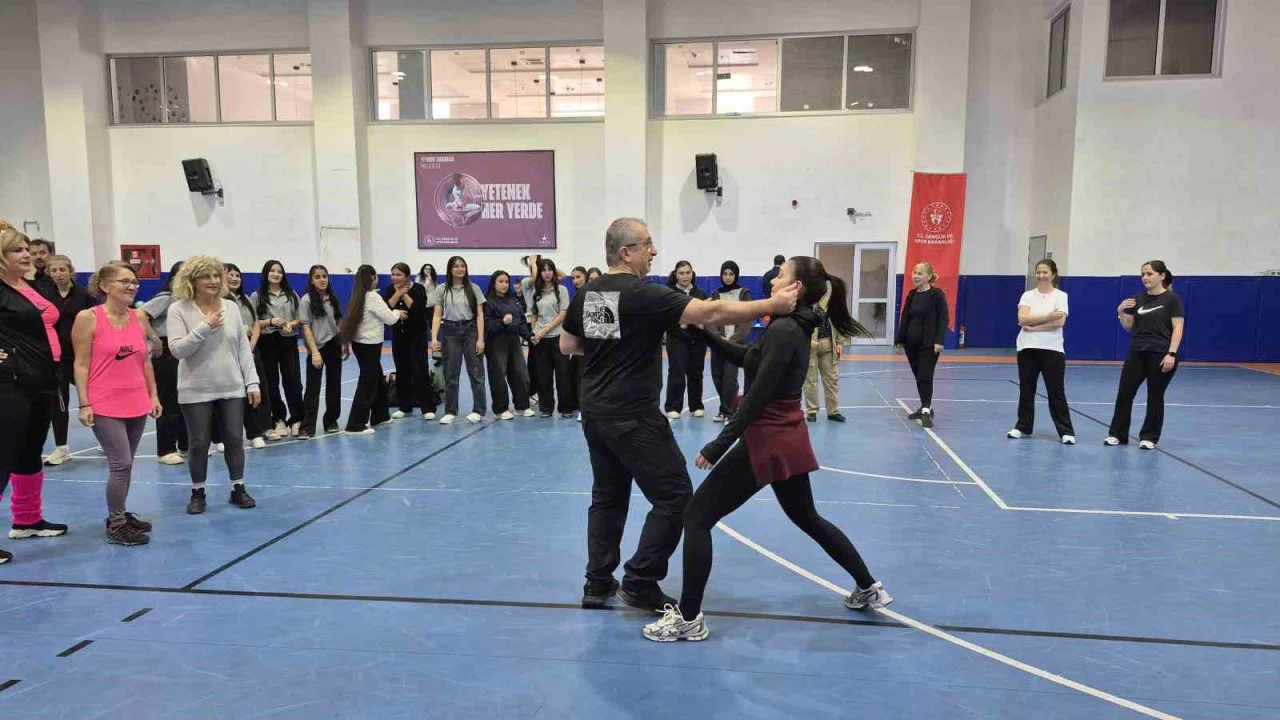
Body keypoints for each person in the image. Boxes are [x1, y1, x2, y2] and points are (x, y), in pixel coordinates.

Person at [643, 257, 890, 642]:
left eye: (781, 276)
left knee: (697, 517)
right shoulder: (791, 325)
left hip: (768, 439)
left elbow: (756, 398)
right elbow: (750, 359)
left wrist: (718, 444)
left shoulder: (786, 330)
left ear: (796, 288)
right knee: (807, 517)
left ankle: (689, 618)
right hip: (787, 437)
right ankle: (868, 585)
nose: (773, 281)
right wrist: (706, 335)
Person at [560, 217, 799, 612]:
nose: (654, 251)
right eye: (647, 244)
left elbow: (569, 346)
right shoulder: (643, 294)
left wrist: (620, 347)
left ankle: (597, 582)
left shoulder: (592, 292)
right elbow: (712, 312)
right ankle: (640, 580)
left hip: (597, 415)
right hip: (633, 416)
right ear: (626, 252)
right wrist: (772, 305)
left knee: (607, 498)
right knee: (675, 497)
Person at [72, 261, 163, 545]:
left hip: (136, 400)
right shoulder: (88, 318)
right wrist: (84, 403)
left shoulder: (139, 317)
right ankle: (116, 524)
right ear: (104, 286)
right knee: (120, 463)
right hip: (104, 402)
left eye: (134, 282)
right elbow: (81, 364)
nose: (132, 286)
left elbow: (145, 362)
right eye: (125, 281)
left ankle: (120, 513)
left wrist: (153, 395)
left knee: (127, 463)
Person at [166, 257, 262, 514]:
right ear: (192, 280)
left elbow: (242, 348)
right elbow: (177, 350)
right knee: (199, 443)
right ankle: (198, 491)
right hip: (195, 388)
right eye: (205, 276)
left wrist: (252, 382)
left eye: (216, 276)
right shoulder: (178, 309)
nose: (213, 281)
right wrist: (205, 326)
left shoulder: (231, 307)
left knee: (234, 438)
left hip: (231, 385)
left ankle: (238, 487)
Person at [0, 226, 70, 564]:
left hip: (41, 379)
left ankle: (27, 519)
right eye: (17, 250)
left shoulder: (29, 285)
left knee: (30, 451)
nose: (27, 254)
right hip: (9, 382)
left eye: (27, 248)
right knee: (3, 454)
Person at [1105, 260, 1185, 449]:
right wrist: (1120, 311)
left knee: (1155, 395)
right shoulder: (1137, 299)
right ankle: (1117, 434)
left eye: (1149, 274)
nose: (1145, 277)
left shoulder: (1172, 299)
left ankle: (1149, 437)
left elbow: (1178, 328)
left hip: (1161, 353)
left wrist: (1171, 354)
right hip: (1137, 352)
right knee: (1125, 393)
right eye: (1143, 274)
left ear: (1162, 276)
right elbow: (1129, 326)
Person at [1008, 259, 1076, 444]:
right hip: (1027, 348)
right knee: (1026, 389)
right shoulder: (1027, 296)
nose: (1041, 275)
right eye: (1038, 272)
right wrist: (1047, 316)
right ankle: (1023, 427)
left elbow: (1059, 322)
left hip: (1052, 349)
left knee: (1056, 391)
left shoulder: (1061, 296)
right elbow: (1022, 319)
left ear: (1053, 274)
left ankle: (1066, 431)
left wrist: (1034, 326)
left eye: (1045, 272)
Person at [45, 255, 98, 465]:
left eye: (62, 270)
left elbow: (97, 321)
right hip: (57, 357)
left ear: (70, 271)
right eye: (54, 270)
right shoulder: (45, 296)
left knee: (94, 398)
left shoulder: (85, 295)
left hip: (83, 356)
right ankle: (62, 448)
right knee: (59, 402)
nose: (59, 274)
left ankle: (106, 439)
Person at [340, 265, 403, 434]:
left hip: (361, 344)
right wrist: (397, 312)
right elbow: (390, 319)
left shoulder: (358, 296)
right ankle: (355, 423)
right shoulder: (373, 296)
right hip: (370, 344)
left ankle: (380, 415)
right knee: (367, 382)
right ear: (373, 278)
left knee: (376, 377)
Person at [139, 261, 189, 464]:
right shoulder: (167, 298)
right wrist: (154, 338)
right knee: (168, 401)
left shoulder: (189, 300)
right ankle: (166, 449)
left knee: (185, 399)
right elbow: (140, 314)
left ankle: (185, 445)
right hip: (167, 350)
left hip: (185, 348)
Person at [430, 256, 486, 424]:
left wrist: (480, 339)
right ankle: (451, 411)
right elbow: (437, 315)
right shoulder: (441, 289)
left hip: (470, 330)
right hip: (450, 331)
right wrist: (434, 338)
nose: (460, 269)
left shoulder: (474, 288)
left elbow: (480, 315)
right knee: (451, 373)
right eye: (456, 266)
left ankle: (478, 410)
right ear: (450, 269)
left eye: (462, 266)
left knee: (476, 372)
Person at [251, 260, 305, 437]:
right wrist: (270, 321)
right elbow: (253, 323)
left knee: (293, 380)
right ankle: (278, 419)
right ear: (266, 273)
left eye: (279, 271)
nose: (276, 274)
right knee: (271, 382)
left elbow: (299, 317)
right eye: (272, 271)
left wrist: (291, 324)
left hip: (288, 341)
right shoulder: (257, 296)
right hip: (267, 342)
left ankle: (297, 419)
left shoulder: (291, 294)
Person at [225, 263, 274, 446]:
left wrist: (250, 348)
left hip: (251, 349)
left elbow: (255, 324)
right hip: (229, 351)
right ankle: (223, 436)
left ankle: (260, 430)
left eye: (237, 275)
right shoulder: (219, 301)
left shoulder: (246, 299)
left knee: (259, 389)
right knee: (235, 394)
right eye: (230, 275)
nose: (235, 278)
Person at [895, 262, 949, 429]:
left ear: (928, 276)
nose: (915, 276)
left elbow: (943, 319)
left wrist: (939, 341)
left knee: (925, 376)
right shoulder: (911, 295)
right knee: (919, 376)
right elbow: (905, 317)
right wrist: (900, 340)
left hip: (929, 344)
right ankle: (925, 406)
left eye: (919, 273)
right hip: (911, 344)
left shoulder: (936, 295)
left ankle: (926, 410)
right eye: (914, 273)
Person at [299, 264, 348, 436]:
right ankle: (307, 426)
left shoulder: (332, 297)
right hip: (316, 347)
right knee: (312, 388)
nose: (322, 280)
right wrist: (314, 352)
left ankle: (331, 420)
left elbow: (338, 321)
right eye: (317, 277)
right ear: (311, 280)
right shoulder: (306, 300)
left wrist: (344, 343)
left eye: (324, 276)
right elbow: (306, 328)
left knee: (334, 385)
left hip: (334, 345)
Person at [383, 262, 435, 421]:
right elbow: (386, 308)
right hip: (399, 337)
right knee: (402, 371)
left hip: (417, 337)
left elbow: (417, 309)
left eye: (398, 275)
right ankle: (404, 407)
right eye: (393, 274)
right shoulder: (389, 289)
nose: (395, 277)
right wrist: (398, 293)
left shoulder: (418, 289)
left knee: (420, 371)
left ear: (407, 276)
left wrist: (404, 294)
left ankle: (427, 407)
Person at [526, 258, 574, 418]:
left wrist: (543, 331)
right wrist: (534, 332)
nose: (547, 273)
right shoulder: (535, 292)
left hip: (558, 337)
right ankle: (546, 407)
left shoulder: (562, 290)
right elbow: (534, 313)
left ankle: (566, 407)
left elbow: (562, 315)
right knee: (543, 375)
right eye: (543, 270)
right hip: (540, 340)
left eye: (550, 269)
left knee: (563, 374)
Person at [484, 270, 533, 419]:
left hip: (514, 341)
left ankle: (522, 406)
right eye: (501, 281)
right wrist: (502, 322)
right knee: (498, 375)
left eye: (506, 282)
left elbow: (521, 322)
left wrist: (529, 336)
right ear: (494, 283)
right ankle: (501, 409)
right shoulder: (488, 302)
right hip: (496, 341)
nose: (504, 285)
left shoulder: (513, 300)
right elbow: (486, 324)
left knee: (520, 373)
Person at [663, 261, 708, 419]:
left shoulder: (699, 293)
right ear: (675, 274)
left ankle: (696, 405)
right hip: (677, 339)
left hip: (698, 340)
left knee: (696, 373)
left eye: (688, 272)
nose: (685, 276)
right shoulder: (669, 293)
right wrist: (681, 325)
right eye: (681, 273)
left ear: (692, 274)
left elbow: (705, 315)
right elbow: (666, 319)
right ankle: (673, 406)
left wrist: (699, 323)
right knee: (677, 372)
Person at [708, 261, 751, 422]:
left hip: (735, 345)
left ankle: (730, 412)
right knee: (717, 375)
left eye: (731, 274)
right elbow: (711, 318)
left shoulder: (744, 293)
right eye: (725, 274)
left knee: (730, 377)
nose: (727, 277)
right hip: (718, 343)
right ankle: (724, 408)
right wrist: (717, 337)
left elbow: (746, 320)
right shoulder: (715, 294)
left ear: (736, 275)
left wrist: (733, 340)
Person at [803, 281, 848, 423]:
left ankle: (833, 411)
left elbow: (839, 323)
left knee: (831, 380)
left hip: (829, 345)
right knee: (810, 380)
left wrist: (840, 342)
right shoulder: (803, 304)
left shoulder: (831, 304)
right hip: (809, 347)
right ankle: (812, 411)